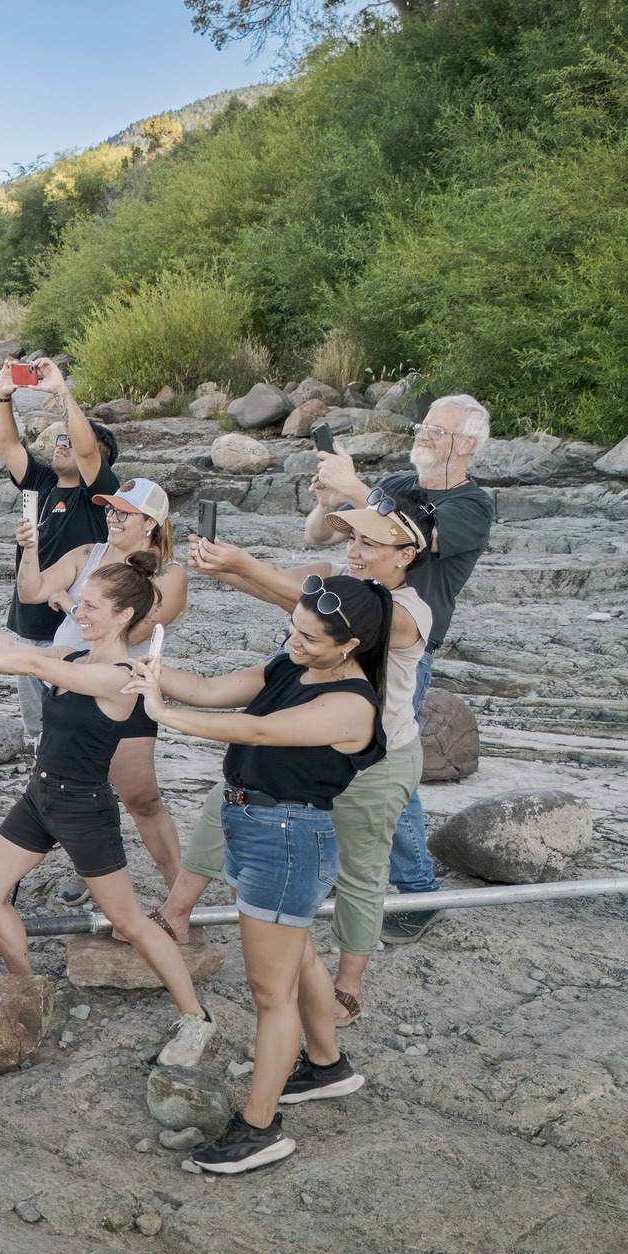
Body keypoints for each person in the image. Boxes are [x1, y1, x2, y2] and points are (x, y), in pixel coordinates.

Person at [125, 574, 391, 1174]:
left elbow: (258, 729)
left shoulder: (351, 705)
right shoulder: (291, 666)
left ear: (349, 646)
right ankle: (327, 1066)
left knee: (272, 997)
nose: (292, 642)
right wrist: (144, 665)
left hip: (289, 839)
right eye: (292, 629)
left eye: (308, 637)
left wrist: (162, 712)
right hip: (256, 827)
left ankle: (260, 1128)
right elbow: (213, 688)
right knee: (296, 959)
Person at [156, 491, 432, 1026]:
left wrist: (243, 563)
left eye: (371, 542)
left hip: (376, 756)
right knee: (225, 801)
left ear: (405, 555)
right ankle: (176, 912)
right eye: (353, 537)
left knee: (360, 868)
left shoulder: (410, 612)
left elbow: (296, 598)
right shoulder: (333, 582)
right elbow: (286, 594)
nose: (355, 550)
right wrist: (222, 566)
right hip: (308, 740)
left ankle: (348, 982)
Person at [0, 560, 213, 1067]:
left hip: (84, 807)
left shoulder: (120, 677)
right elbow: (23, 651)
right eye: (80, 602)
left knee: (129, 921)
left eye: (91, 607)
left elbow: (38, 668)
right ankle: (26, 989)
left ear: (124, 616)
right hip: (41, 797)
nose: (78, 612)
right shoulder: (78, 654)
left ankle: (195, 1016)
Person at [306, 395, 495, 943]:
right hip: (347, 638)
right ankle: (354, 873)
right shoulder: (396, 484)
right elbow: (318, 537)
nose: (424, 436)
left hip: (403, 648)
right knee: (341, 755)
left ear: (467, 445)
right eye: (423, 426)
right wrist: (330, 496)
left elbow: (411, 536)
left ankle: (417, 890)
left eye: (437, 431)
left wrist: (357, 486)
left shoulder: (472, 505)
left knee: (390, 766)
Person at [16, 476, 186, 898]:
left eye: (122, 512)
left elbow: (129, 632)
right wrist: (30, 551)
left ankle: (181, 894)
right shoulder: (88, 553)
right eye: (109, 509)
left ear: (151, 523)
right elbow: (32, 590)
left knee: (141, 797)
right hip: (67, 691)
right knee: (65, 786)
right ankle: (89, 867)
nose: (111, 517)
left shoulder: (170, 575)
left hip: (122, 691)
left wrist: (73, 605)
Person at [0, 358, 113, 740]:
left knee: (74, 729)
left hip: (74, 632)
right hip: (30, 627)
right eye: (60, 440)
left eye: (71, 441)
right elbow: (8, 444)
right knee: (39, 733)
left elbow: (89, 452)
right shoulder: (43, 481)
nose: (63, 443)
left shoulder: (98, 497)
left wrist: (63, 393)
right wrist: (1, 396)